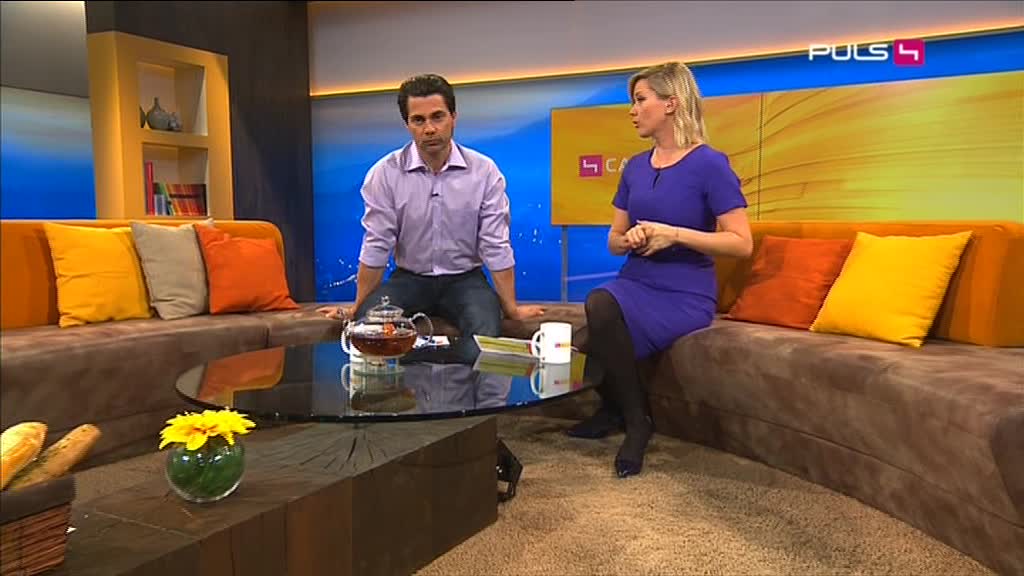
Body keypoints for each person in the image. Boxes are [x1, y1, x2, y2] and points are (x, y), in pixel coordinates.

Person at [566, 62, 753, 478]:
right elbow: (614, 240)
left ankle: (637, 422)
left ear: (671, 103)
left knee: (598, 311)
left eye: (640, 100)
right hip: (635, 281)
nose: (632, 110)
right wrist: (630, 238)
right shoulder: (635, 167)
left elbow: (741, 243)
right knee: (587, 332)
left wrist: (674, 234)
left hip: (684, 291)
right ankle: (615, 411)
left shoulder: (710, 164)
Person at [319, 74, 544, 360]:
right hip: (409, 280)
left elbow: (495, 245)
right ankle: (409, 385)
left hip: (465, 280)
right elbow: (377, 245)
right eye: (418, 120)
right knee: (369, 328)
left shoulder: (484, 172)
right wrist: (357, 307)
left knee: (485, 336)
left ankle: (461, 387)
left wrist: (511, 308)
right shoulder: (385, 173)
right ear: (408, 125)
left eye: (438, 117)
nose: (429, 129)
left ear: (453, 117)